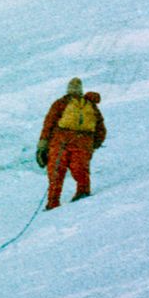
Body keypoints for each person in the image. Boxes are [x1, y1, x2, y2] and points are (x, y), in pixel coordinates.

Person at [36, 77, 106, 210]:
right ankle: (82, 192)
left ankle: (53, 202)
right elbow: (100, 128)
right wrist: (93, 144)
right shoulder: (90, 106)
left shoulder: (61, 103)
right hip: (81, 143)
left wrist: (42, 145)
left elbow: (49, 123)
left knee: (56, 172)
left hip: (61, 142)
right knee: (79, 169)